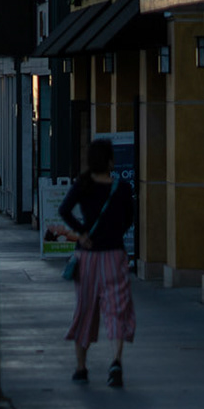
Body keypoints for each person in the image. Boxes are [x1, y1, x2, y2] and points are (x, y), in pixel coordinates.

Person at [57, 138, 137, 388]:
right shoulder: (122, 188)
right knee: (117, 307)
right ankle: (116, 360)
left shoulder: (83, 185)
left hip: (87, 255)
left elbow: (64, 210)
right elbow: (129, 219)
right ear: (111, 161)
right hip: (114, 254)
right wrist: (114, 232)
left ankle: (81, 367)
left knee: (86, 308)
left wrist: (82, 232)